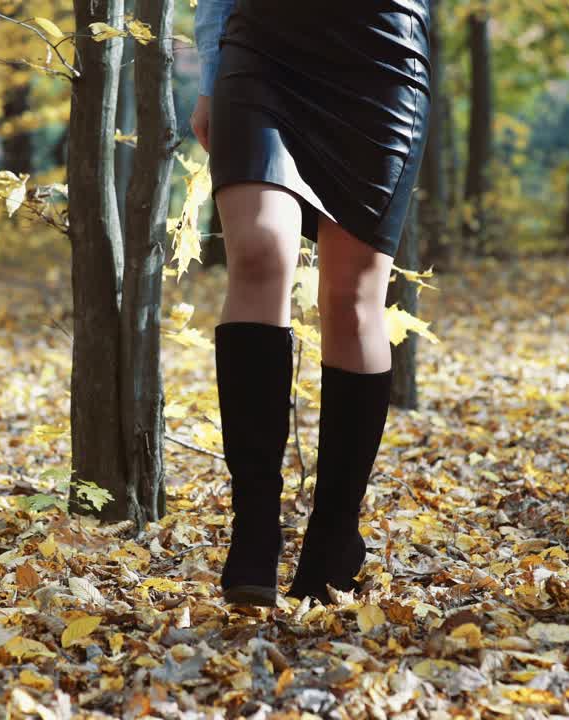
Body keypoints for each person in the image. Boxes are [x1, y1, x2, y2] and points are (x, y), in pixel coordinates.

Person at [190, 0, 432, 606]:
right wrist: (209, 76)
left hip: (381, 54)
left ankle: (334, 535)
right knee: (258, 252)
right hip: (261, 47)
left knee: (351, 300)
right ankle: (255, 527)